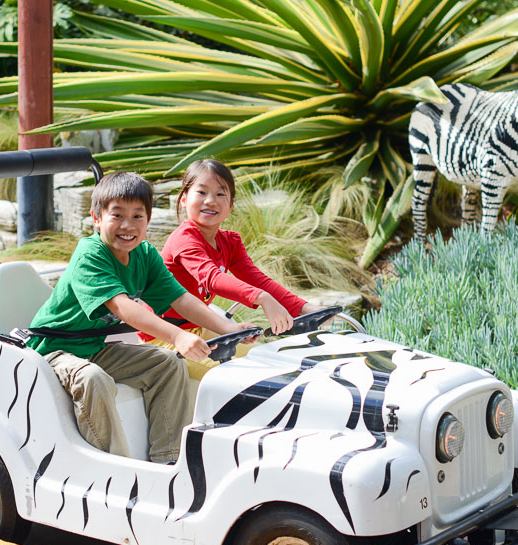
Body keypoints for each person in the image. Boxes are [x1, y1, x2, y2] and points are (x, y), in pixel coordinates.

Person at [27, 171, 257, 464]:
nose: (128, 225)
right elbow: (123, 306)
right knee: (93, 378)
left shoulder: (144, 254)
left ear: (148, 220)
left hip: (94, 349)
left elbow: (182, 299)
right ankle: (114, 469)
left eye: (138, 216)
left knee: (169, 365)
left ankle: (168, 460)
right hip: (54, 351)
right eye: (117, 215)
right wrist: (176, 335)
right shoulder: (91, 253)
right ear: (96, 217)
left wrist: (228, 328)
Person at [139, 159, 324, 379]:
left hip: (199, 331)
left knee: (272, 361)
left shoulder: (230, 242)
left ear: (231, 204)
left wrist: (303, 308)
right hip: (165, 337)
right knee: (242, 378)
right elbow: (212, 278)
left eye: (220, 194)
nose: (210, 201)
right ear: (184, 199)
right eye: (202, 192)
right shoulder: (184, 239)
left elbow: (257, 279)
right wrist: (262, 299)